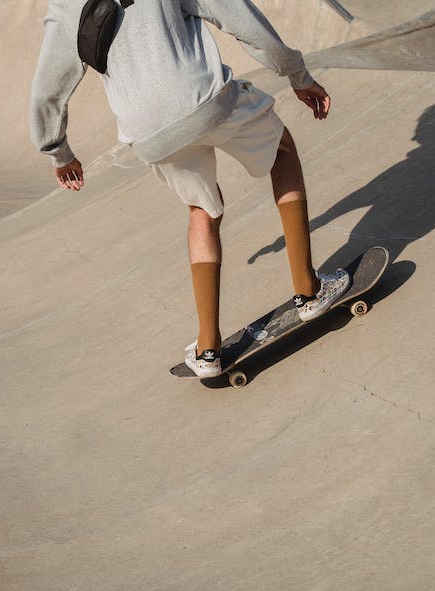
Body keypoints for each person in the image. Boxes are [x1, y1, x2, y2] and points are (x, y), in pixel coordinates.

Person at [30, 0, 350, 378]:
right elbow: (239, 18)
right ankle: (309, 292)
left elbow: (46, 89)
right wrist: (297, 75)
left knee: (202, 211)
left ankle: (208, 349)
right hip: (207, 100)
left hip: (148, 133)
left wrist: (58, 151)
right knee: (282, 153)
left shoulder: (65, 5)